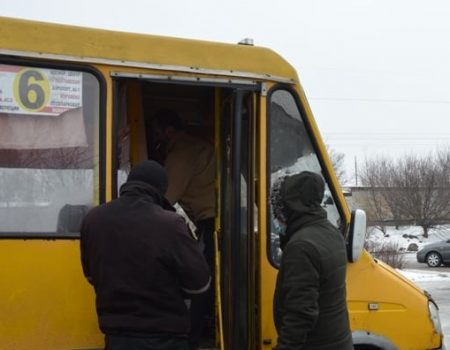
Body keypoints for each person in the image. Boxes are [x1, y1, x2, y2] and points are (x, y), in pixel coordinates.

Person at [80, 160, 210, 350]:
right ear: (160, 190)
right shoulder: (170, 224)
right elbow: (200, 285)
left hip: (116, 338)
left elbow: (91, 275)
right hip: (165, 339)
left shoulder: (93, 220)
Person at [152, 109, 216, 350]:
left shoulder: (182, 152)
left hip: (213, 222)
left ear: (169, 131)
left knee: (201, 280)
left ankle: (191, 339)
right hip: (207, 221)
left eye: (157, 133)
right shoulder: (191, 148)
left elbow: (164, 198)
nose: (155, 138)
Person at [270, 171, 353, 350]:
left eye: (277, 210)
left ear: (288, 207)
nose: (275, 217)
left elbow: (300, 314)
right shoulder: (330, 232)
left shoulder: (301, 246)